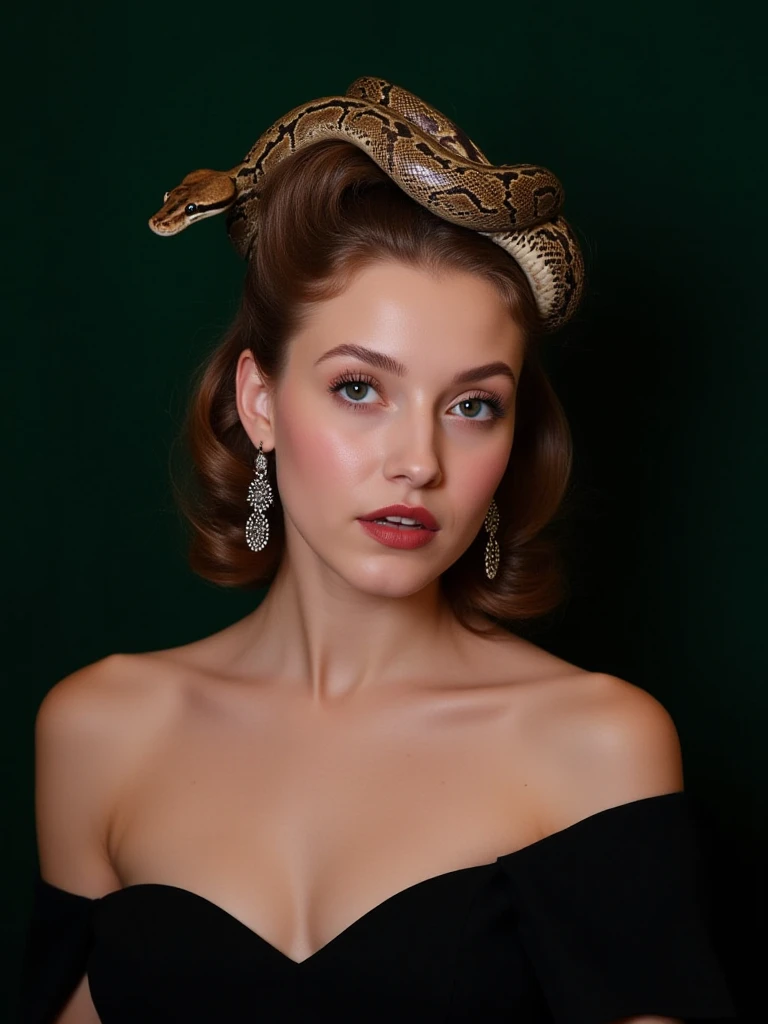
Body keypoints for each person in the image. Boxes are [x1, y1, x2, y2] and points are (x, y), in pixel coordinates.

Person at [19, 78, 736, 1023]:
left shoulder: (597, 747)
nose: (419, 462)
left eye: (473, 405)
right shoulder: (98, 732)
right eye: (361, 388)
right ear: (260, 400)